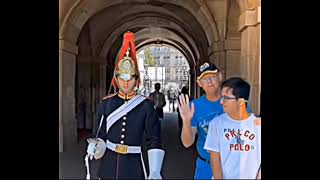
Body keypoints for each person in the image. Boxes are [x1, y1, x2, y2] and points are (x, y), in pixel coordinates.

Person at [85, 31, 165, 180]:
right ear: (116, 78)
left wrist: (154, 170)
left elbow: (153, 139)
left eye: (130, 77)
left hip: (133, 166)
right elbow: (99, 134)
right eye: (122, 77)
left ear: (136, 79)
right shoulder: (106, 103)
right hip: (108, 164)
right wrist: (96, 146)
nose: (126, 82)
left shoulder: (146, 106)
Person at [178, 62, 252, 179]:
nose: (209, 81)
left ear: (220, 77)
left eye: (212, 76)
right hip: (206, 167)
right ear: (199, 83)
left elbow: (251, 135)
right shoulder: (194, 107)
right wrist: (186, 121)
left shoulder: (237, 101)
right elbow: (187, 143)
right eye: (204, 79)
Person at [204, 77, 261, 179]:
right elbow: (215, 160)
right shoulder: (216, 124)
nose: (221, 102)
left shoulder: (258, 126)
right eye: (221, 97)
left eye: (226, 98)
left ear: (241, 102)